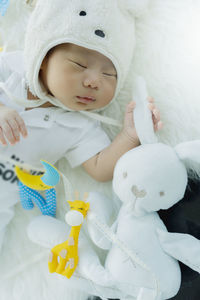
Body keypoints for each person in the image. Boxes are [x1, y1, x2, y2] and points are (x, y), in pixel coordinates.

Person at [0, 0, 162, 252]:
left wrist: (131, 135)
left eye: (110, 75)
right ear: (42, 57)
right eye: (79, 65)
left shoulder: (80, 125)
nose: (94, 81)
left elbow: (100, 169)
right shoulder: (11, 67)